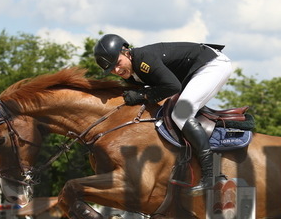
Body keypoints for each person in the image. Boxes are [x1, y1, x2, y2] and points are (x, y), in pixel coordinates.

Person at [93, 34, 233, 193]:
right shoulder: (132, 75)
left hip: (212, 65)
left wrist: (141, 95)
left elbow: (173, 87)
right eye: (111, 69)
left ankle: (213, 174)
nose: (116, 70)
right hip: (196, 71)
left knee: (181, 113)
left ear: (126, 52)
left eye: (117, 63)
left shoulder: (144, 59)